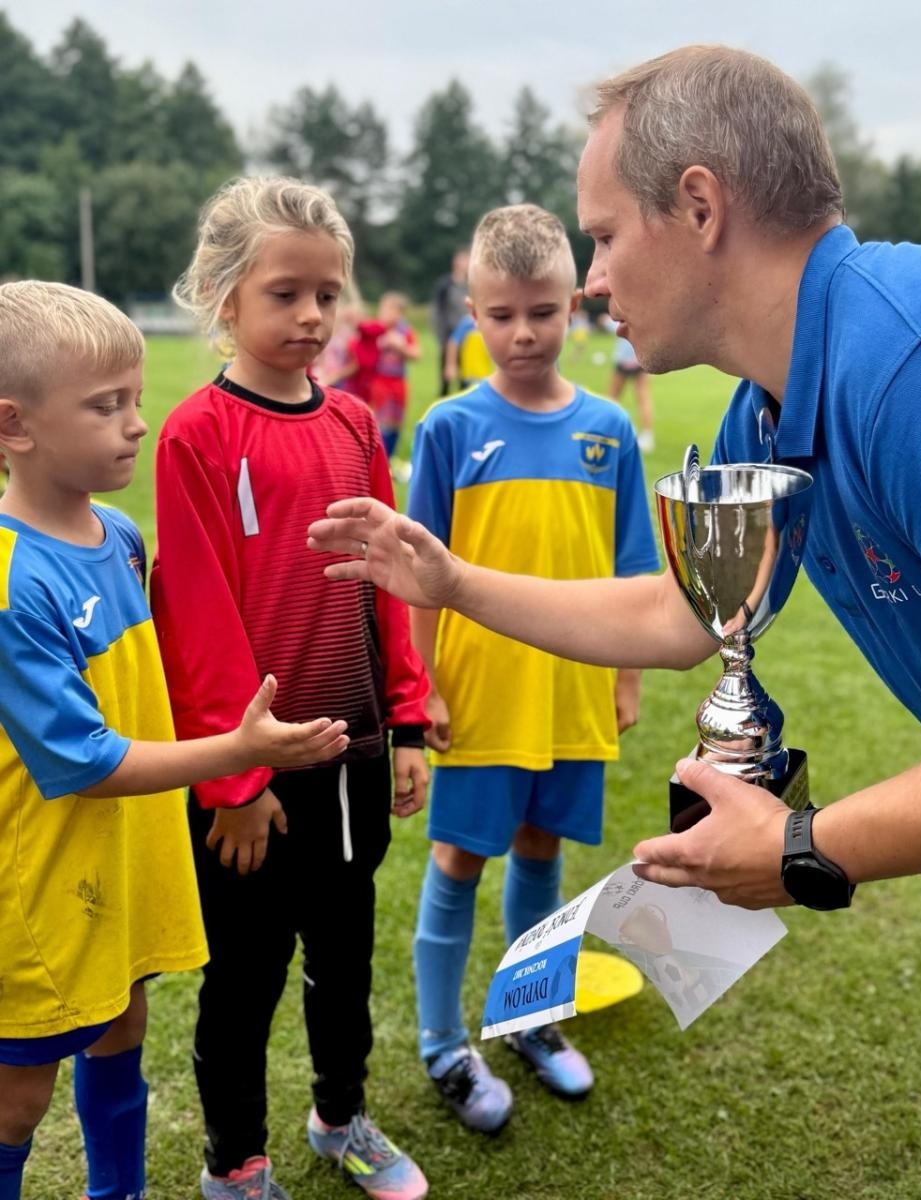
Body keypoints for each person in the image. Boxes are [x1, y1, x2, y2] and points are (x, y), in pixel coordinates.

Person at [306, 47, 921, 988]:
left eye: (605, 236)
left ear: (701, 209)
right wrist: (453, 583)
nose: (590, 281)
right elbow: (674, 619)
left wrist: (804, 844)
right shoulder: (766, 402)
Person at [0, 281, 349, 1200]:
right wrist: (238, 755)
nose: (135, 425)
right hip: (40, 884)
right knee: (18, 1099)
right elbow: (81, 759)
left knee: (123, 1027)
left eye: (136, 399)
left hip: (123, 863)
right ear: (15, 425)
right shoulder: (10, 577)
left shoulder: (118, 536)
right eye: (105, 406)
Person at [153, 177, 431, 1200]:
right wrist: (236, 779)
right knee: (245, 981)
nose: (313, 315)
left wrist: (406, 723)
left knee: (345, 958)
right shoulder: (198, 435)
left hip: (351, 760)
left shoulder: (357, 425)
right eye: (286, 293)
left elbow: (387, 583)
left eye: (329, 292)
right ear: (225, 297)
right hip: (254, 780)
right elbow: (194, 618)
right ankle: (234, 1166)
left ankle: (341, 1116)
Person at [406, 203, 661, 1132]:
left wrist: (625, 677)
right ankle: (443, 1045)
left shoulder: (605, 431)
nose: (523, 333)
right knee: (459, 855)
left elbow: (633, 570)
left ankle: (531, 1019)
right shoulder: (446, 429)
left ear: (574, 308)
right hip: (480, 688)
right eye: (502, 313)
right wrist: (423, 680)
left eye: (543, 312)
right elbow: (418, 576)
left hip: (572, 687)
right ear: (472, 312)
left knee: (543, 849)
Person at [349, 292, 421, 482]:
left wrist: (400, 347)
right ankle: (374, 464)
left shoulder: (404, 331)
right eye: (383, 308)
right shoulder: (375, 329)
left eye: (390, 309)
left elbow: (416, 354)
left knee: (396, 424)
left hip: (398, 382)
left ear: (400, 313)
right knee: (381, 423)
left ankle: (386, 462)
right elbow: (357, 337)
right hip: (378, 382)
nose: (385, 313)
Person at [605, 318, 654, 453]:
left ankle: (607, 431)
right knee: (643, 397)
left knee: (613, 397)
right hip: (640, 359)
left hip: (625, 359)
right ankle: (647, 435)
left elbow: (615, 328)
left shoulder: (623, 309)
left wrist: (605, 322)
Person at [430, 247, 470, 395]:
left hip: (469, 338)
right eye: (462, 259)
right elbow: (437, 311)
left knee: (467, 377)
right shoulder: (445, 285)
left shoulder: (472, 284)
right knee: (446, 376)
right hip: (449, 335)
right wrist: (441, 337)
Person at [443, 312, 493, 393]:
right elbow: (453, 343)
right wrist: (451, 365)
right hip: (469, 373)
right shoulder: (468, 323)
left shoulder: (492, 322)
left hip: (486, 372)